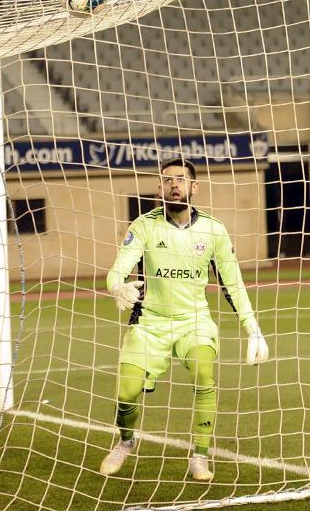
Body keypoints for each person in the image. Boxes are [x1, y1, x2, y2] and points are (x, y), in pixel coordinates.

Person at [100, 158, 270, 481]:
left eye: (180, 179)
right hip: (150, 322)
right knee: (126, 393)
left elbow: (232, 283)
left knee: (204, 373)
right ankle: (126, 441)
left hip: (194, 321)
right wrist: (117, 287)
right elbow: (117, 270)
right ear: (159, 187)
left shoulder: (213, 230)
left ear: (195, 187)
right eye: (167, 180)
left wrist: (253, 328)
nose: (174, 184)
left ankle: (200, 456)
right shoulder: (144, 226)